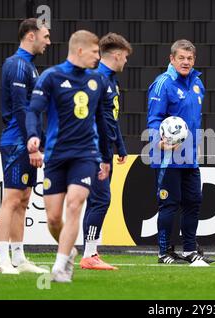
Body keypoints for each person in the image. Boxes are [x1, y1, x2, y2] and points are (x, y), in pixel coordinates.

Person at [26, 30, 111, 283]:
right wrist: (33, 136)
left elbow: (102, 121)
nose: (99, 57)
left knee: (75, 205)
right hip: (56, 154)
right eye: (96, 52)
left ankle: (61, 267)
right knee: (53, 218)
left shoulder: (98, 81)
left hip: (86, 154)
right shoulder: (51, 77)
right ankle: (69, 249)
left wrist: (105, 157)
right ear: (81, 50)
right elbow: (34, 111)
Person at [146, 39, 215, 265]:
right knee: (169, 204)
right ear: (172, 59)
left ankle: (188, 250)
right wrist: (159, 140)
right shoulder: (162, 83)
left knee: (194, 201)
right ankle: (163, 252)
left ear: (194, 60)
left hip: (190, 157)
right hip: (167, 157)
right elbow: (154, 118)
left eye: (190, 58)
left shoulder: (197, 83)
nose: (186, 62)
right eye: (181, 58)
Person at [0, 18, 50, 274]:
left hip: (27, 140)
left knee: (24, 199)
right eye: (46, 36)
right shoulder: (18, 65)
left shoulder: (29, 67)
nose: (48, 42)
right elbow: (20, 109)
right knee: (11, 199)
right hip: (17, 142)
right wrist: (32, 143)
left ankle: (18, 258)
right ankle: (3, 260)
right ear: (31, 36)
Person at [79, 33, 132, 270]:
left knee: (95, 201)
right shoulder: (97, 79)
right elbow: (92, 120)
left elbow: (111, 119)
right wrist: (100, 154)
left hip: (105, 151)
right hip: (94, 151)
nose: (126, 62)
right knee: (101, 199)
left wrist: (119, 146)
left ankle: (91, 253)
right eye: (126, 57)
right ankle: (89, 254)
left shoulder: (111, 81)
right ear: (118, 55)